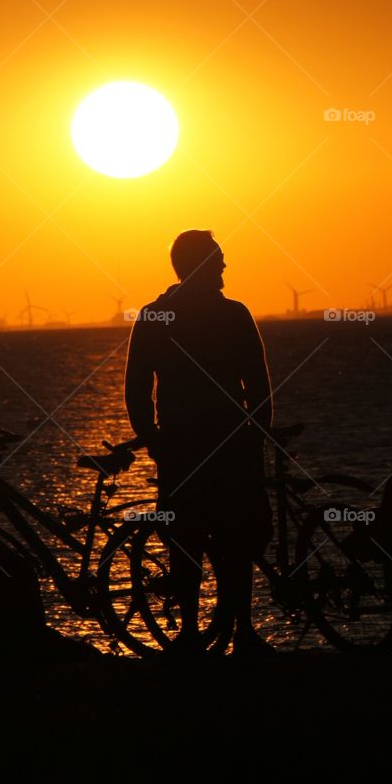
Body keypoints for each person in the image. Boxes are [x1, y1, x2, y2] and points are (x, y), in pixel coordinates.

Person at [124, 230, 274, 655]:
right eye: (219, 259)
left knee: (188, 540)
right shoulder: (234, 316)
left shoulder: (157, 316)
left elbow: (137, 389)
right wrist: (256, 435)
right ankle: (238, 631)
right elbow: (259, 386)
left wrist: (152, 438)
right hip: (224, 446)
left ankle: (195, 634)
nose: (225, 267)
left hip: (185, 447)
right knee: (232, 541)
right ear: (201, 265)